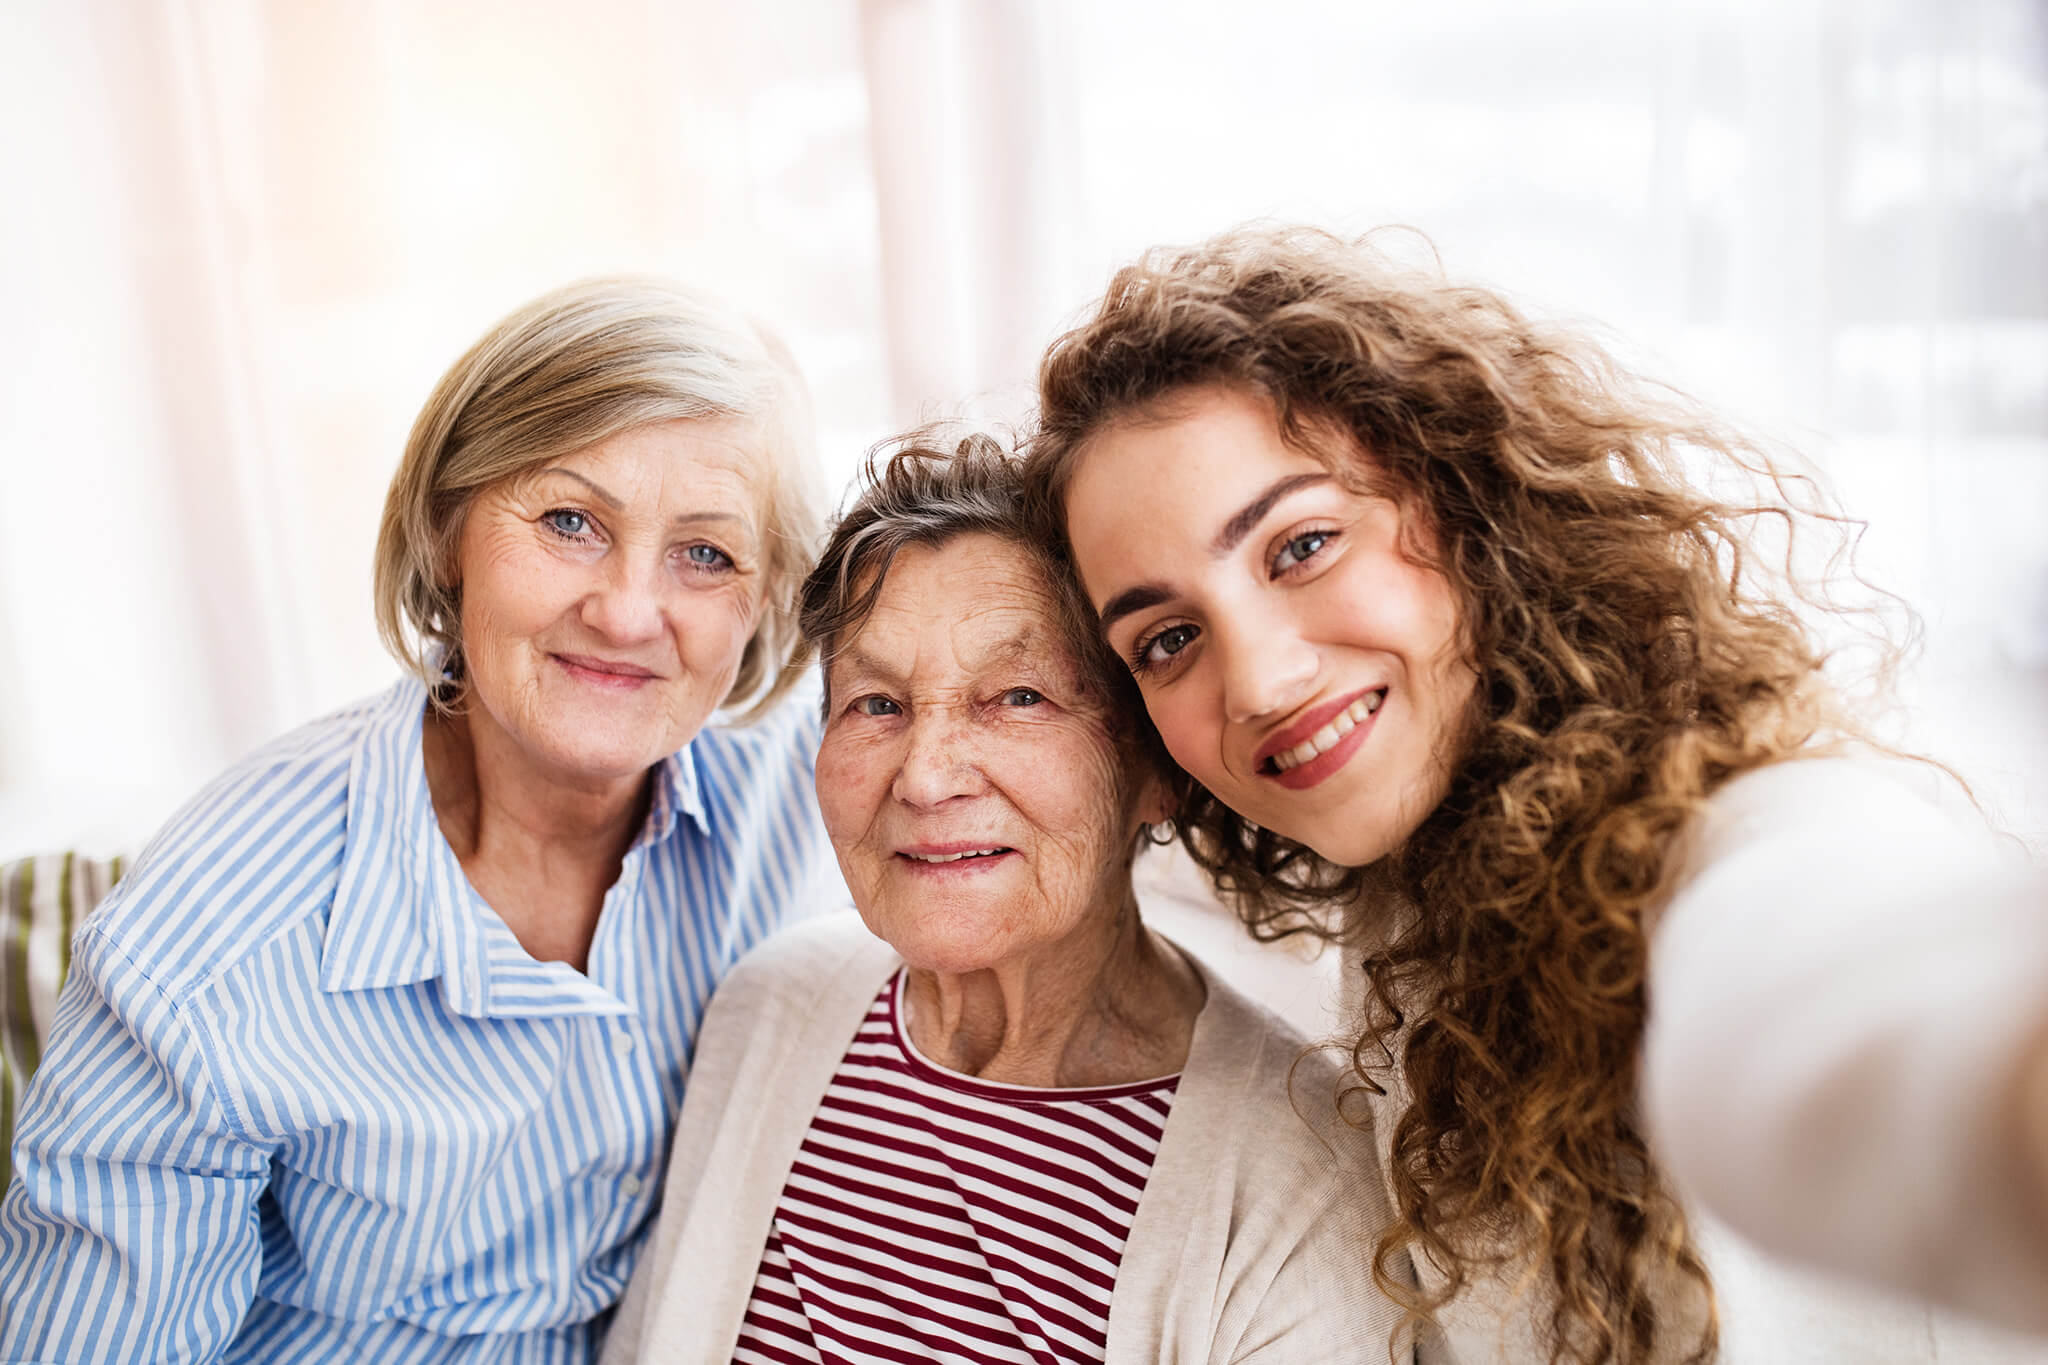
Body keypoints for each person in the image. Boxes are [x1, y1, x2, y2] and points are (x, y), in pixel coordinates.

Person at [1025, 227, 2048, 1363]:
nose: (1260, 680)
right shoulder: (1410, 878)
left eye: (1302, 545)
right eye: (1168, 638)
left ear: (1463, 498)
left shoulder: (1742, 835)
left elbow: (1832, 990)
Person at [0, 277, 837, 1363]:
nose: (630, 611)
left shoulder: (815, 784)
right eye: (570, 522)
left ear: (770, 596)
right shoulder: (208, 947)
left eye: (706, 555)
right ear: (449, 530)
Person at [598, 434, 1411, 1365]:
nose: (926, 776)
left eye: (1017, 696)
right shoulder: (770, 1006)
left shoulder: (1300, 1181)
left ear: (1157, 770)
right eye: (876, 703)